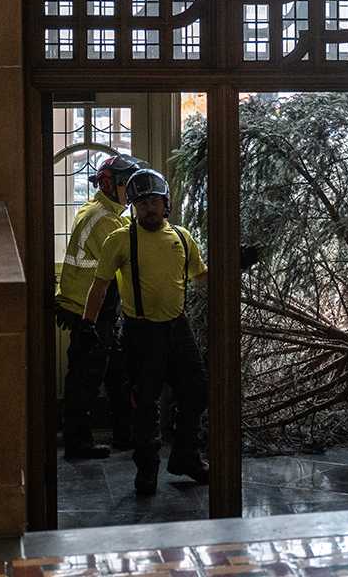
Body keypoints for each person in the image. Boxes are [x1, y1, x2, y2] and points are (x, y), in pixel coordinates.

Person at [77, 167, 261, 496]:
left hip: (178, 328)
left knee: (198, 391)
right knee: (145, 405)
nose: (149, 206)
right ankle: (146, 472)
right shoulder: (120, 239)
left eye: (155, 200)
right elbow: (99, 286)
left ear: (166, 204)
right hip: (140, 333)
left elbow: (202, 278)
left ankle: (185, 459)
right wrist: (88, 326)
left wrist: (235, 265)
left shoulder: (181, 237)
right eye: (142, 201)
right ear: (133, 206)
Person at [55, 153, 147, 459]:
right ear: (110, 185)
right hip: (89, 311)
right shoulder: (105, 220)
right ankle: (77, 441)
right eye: (127, 184)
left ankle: (125, 435)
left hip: (99, 309)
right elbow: (132, 258)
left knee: (116, 374)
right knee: (86, 378)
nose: (133, 189)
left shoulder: (103, 211)